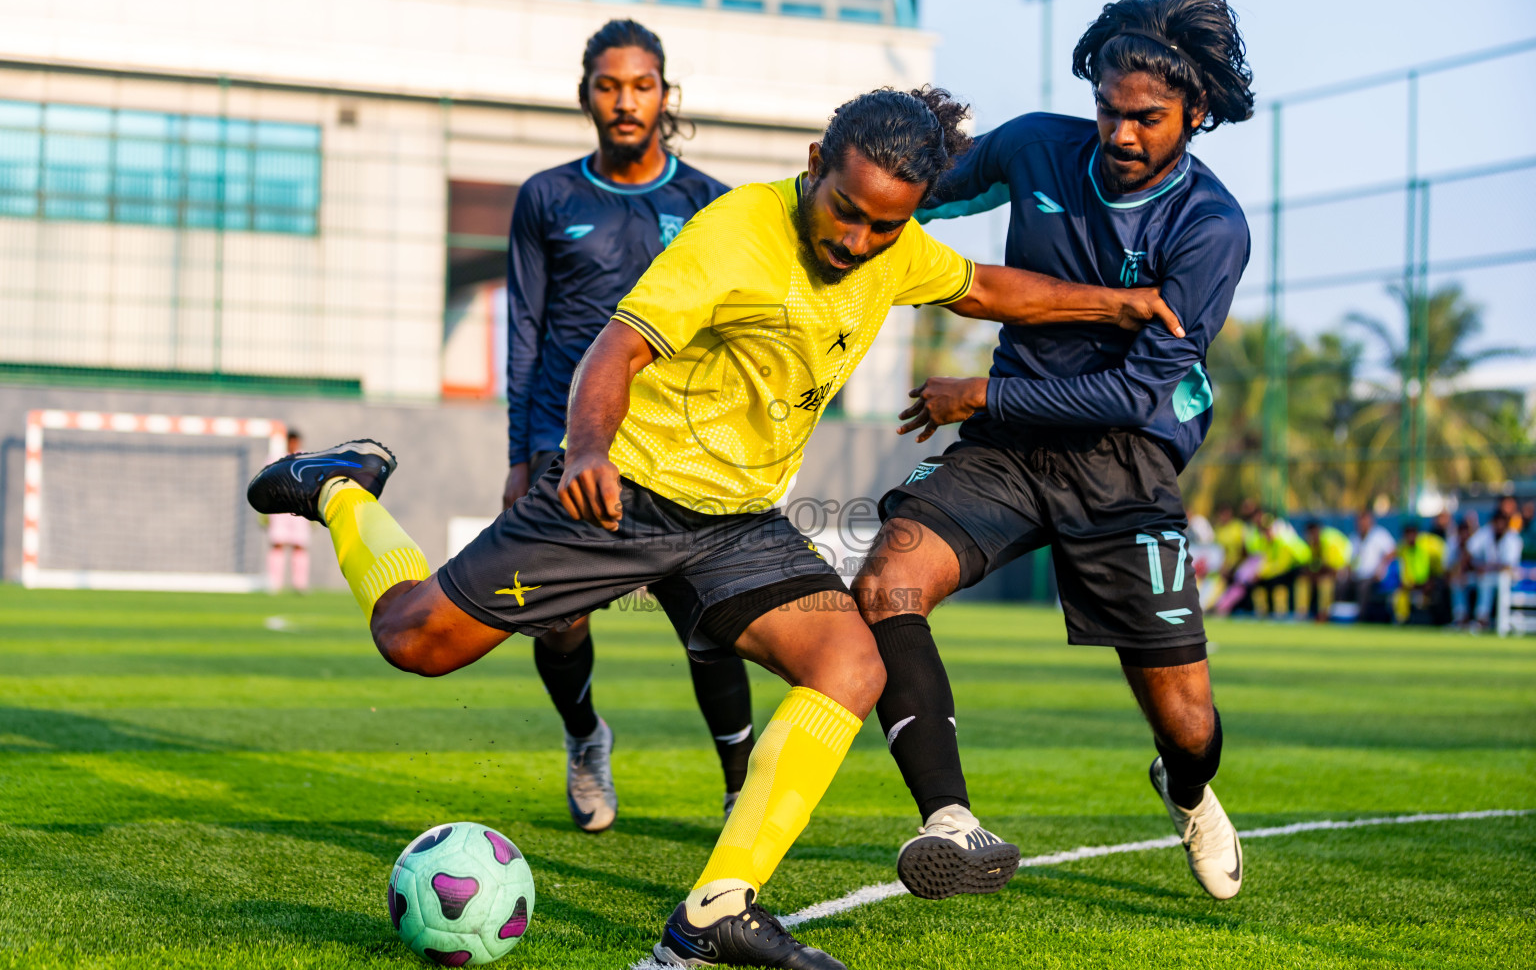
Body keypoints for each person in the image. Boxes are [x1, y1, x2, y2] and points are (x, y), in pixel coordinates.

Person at [247, 86, 1183, 969]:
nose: (858, 240)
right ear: (816, 163)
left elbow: (979, 286)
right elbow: (617, 345)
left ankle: (717, 909)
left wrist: (1120, 304)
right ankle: (342, 488)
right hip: (627, 496)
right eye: (846, 211)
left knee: (850, 664)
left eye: (884, 224)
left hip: (738, 521)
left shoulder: (894, 247)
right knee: (414, 641)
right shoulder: (735, 234)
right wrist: (584, 451)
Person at [851, 0, 1254, 903]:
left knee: (1189, 726)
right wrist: (841, 194)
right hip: (1007, 448)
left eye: (1146, 118)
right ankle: (949, 824)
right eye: (1108, 110)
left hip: (1126, 463)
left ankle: (1185, 791)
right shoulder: (1036, 145)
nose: (1118, 133)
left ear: (1197, 114)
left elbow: (1136, 390)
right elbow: (913, 199)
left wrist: (983, 390)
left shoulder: (1209, 229)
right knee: (885, 584)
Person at [503, 19, 750, 833]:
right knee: (557, 617)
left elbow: (725, 333)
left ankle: (739, 786)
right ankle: (584, 739)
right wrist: (522, 455)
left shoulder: (705, 200)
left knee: (709, 619)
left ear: (664, 94)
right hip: (566, 443)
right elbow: (526, 335)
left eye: (641, 85)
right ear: (586, 96)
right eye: (608, 86)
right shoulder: (547, 197)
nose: (625, 102)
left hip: (678, 447)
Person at [265, 430, 311, 593]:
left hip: (299, 506)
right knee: (277, 543)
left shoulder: (305, 458)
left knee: (299, 545)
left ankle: (300, 585)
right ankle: (274, 584)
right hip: (280, 507)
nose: (293, 445)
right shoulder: (275, 458)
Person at [1468, 508, 1524, 630]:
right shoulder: (1486, 533)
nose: (1499, 525)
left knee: (1496, 579)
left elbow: (1507, 566)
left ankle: (1488, 619)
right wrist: (1477, 567)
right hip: (1490, 575)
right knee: (1467, 581)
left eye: (1502, 522)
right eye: (1497, 522)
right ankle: (1480, 619)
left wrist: (1486, 567)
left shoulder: (1513, 539)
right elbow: (1470, 550)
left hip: (1511, 577)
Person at [1342, 509, 1396, 622]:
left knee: (1364, 587)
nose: (1362, 524)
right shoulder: (1354, 538)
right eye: (1359, 521)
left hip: (1373, 577)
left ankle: (1360, 618)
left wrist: (1381, 567)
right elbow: (1349, 560)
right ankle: (1339, 616)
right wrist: (1347, 572)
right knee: (1340, 584)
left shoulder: (1379, 535)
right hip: (1357, 576)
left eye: (1364, 520)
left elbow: (1392, 552)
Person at [1392, 521, 1447, 625]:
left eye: (1412, 533)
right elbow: (1404, 570)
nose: (1410, 536)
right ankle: (1402, 621)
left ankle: (1439, 622)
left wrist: (1431, 581)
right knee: (1399, 596)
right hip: (1412, 585)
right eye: (1407, 533)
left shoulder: (1428, 545)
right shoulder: (1402, 548)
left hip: (1429, 582)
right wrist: (1409, 584)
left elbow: (1438, 566)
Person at [1299, 520, 1352, 622]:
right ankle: (1302, 615)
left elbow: (1334, 570)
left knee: (1325, 583)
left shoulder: (1330, 541)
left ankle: (1324, 615)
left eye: (1313, 534)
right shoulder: (1310, 544)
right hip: (1323, 574)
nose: (1311, 538)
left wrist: (1318, 576)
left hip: (1345, 572)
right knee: (1302, 581)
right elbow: (1308, 567)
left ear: (1318, 531)